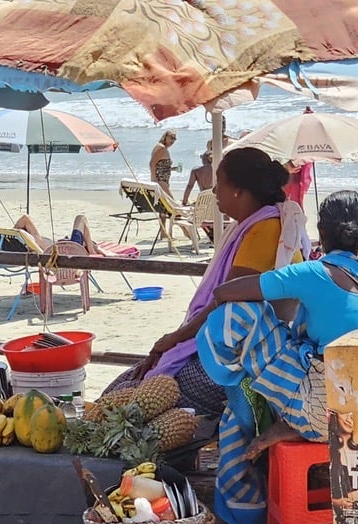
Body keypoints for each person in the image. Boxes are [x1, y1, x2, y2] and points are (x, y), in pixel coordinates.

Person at [195, 191, 358, 524]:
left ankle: (261, 407)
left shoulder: (313, 273)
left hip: (320, 413)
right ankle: (285, 422)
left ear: (321, 234)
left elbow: (226, 294)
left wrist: (283, 298)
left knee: (237, 316)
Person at [102, 147, 310, 416]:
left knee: (129, 403)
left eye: (219, 183)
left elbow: (224, 302)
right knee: (125, 385)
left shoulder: (265, 230)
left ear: (237, 190)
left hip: (241, 358)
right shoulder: (258, 224)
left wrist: (175, 338)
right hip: (226, 343)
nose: (214, 192)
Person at [150, 130, 177, 199]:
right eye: (171, 137)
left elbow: (160, 166)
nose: (173, 140)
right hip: (160, 181)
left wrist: (172, 168)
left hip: (162, 181)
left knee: (170, 203)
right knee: (173, 204)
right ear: (165, 137)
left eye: (174, 138)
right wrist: (155, 180)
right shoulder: (161, 148)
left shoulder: (163, 148)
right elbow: (152, 163)